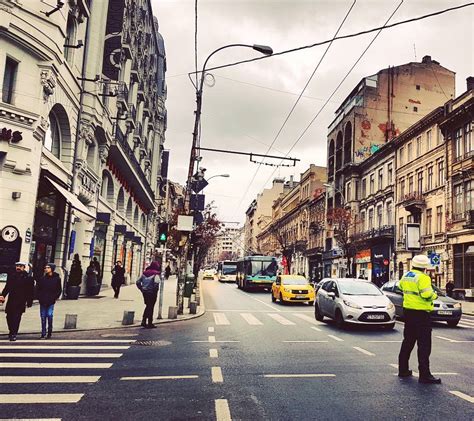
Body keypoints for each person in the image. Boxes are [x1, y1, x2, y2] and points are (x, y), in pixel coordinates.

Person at [398, 255, 441, 384]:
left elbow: (400, 287)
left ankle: (403, 369)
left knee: (408, 341)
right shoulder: (423, 278)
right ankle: (425, 375)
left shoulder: (406, 276)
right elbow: (427, 294)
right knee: (424, 345)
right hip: (421, 314)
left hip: (408, 312)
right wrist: (435, 295)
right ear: (425, 267)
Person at [0, 262, 34, 341]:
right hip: (11, 300)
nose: (18, 267)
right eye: (17, 266)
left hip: (21, 301)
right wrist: (2, 295)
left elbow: (30, 291)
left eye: (20, 266)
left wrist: (29, 301)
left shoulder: (28, 277)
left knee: (16, 317)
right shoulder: (12, 276)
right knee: (9, 316)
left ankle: (13, 333)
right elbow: (7, 287)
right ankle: (11, 330)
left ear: (24, 267)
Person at [36, 263, 62, 339]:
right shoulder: (42, 279)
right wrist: (39, 297)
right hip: (43, 300)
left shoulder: (57, 279)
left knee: (49, 315)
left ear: (52, 269)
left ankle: (49, 331)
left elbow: (59, 289)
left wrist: (55, 297)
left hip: (51, 300)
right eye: (45, 267)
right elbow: (38, 288)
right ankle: (43, 332)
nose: (46, 269)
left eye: (48, 268)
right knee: (43, 317)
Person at [136, 261, 160, 328]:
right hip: (152, 293)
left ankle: (144, 321)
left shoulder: (144, 273)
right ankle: (149, 323)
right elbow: (156, 283)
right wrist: (155, 291)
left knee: (148, 306)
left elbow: (138, 282)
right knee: (150, 307)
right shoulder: (156, 274)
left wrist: (141, 289)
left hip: (145, 292)